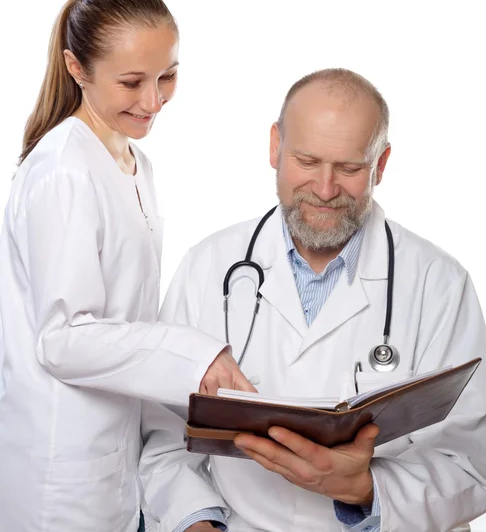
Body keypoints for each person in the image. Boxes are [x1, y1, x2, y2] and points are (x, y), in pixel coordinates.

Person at [138, 68, 486, 531]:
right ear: (274, 147)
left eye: (349, 168)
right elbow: (163, 437)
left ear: (380, 165)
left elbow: (472, 463)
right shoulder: (209, 267)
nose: (325, 190)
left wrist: (364, 490)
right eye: (307, 161)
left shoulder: (440, 283)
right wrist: (195, 523)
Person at [0, 0, 254, 532]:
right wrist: (195, 356)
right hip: (61, 477)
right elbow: (62, 338)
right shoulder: (64, 169)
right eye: (132, 82)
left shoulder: (134, 163)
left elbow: (122, 328)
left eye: (168, 76)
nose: (154, 100)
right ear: (77, 68)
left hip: (115, 459)